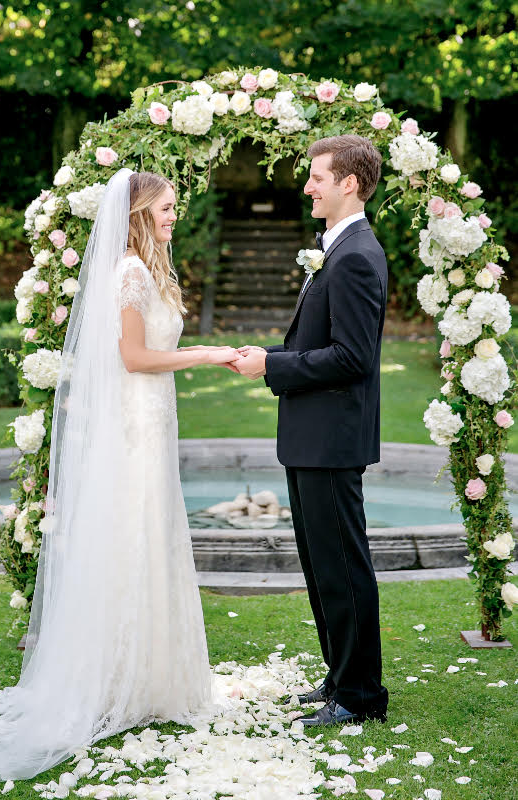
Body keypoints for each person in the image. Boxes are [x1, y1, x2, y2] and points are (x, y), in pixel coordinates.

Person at [0, 169, 238, 781]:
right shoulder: (127, 272)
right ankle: (118, 675)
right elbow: (134, 357)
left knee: (152, 536)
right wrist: (207, 353)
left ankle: (151, 678)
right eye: (166, 209)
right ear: (137, 216)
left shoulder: (152, 271)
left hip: (153, 421)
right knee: (132, 535)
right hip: (133, 426)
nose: (175, 216)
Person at [235, 135, 389, 726]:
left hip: (330, 440)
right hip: (314, 436)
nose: (307, 186)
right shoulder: (338, 248)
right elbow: (322, 344)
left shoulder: (354, 255)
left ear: (348, 183)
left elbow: (352, 357)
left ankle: (359, 697)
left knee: (342, 567)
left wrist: (271, 366)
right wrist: (271, 353)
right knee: (322, 564)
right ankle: (339, 679)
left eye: (316, 177)